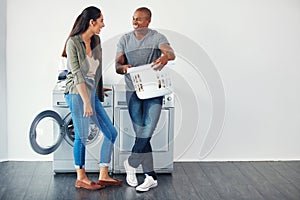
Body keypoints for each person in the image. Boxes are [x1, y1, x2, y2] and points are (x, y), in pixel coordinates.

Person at [62, 6, 122, 190]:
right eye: (101, 20)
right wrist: (87, 101)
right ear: (92, 22)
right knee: (81, 135)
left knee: (111, 132)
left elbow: (95, 70)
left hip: (90, 93)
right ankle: (81, 177)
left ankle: (103, 174)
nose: (103, 25)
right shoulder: (73, 43)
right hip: (76, 94)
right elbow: (77, 74)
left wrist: (97, 89)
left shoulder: (96, 40)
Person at [115, 7, 175, 192]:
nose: (135, 22)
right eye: (133, 18)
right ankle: (150, 176)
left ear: (148, 21)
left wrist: (165, 56)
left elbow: (171, 53)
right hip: (133, 91)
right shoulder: (124, 39)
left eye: (139, 19)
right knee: (142, 133)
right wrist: (124, 67)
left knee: (147, 130)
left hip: (154, 91)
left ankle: (131, 163)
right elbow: (117, 66)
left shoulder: (157, 37)